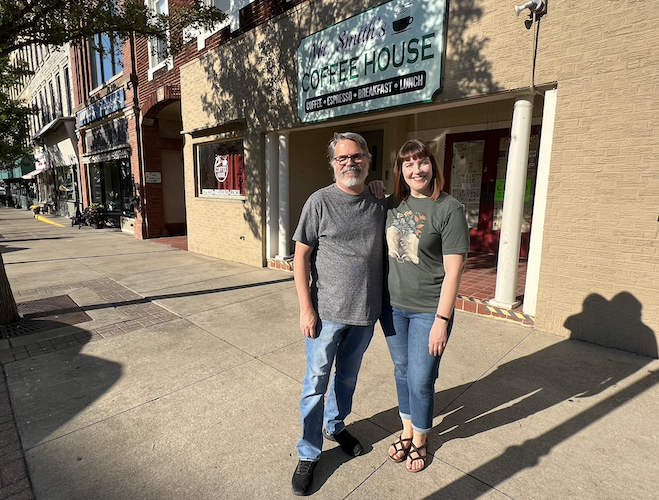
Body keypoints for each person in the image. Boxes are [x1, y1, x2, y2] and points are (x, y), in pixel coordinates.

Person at [291, 132, 387, 496]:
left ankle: (336, 425)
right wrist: (306, 309)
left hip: (365, 314)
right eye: (343, 158)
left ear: (368, 160)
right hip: (326, 314)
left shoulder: (380, 201)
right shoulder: (319, 202)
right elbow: (300, 257)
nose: (350, 162)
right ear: (333, 164)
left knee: (347, 377)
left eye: (357, 156)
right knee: (316, 383)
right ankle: (308, 452)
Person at [382, 139, 469, 473]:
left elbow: (453, 272)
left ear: (433, 166)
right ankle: (406, 430)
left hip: (428, 311)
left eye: (422, 163)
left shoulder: (449, 209)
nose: (416, 170)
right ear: (400, 171)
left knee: (420, 379)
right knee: (402, 372)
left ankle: (421, 439)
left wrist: (442, 320)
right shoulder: (391, 204)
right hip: (392, 309)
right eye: (408, 164)